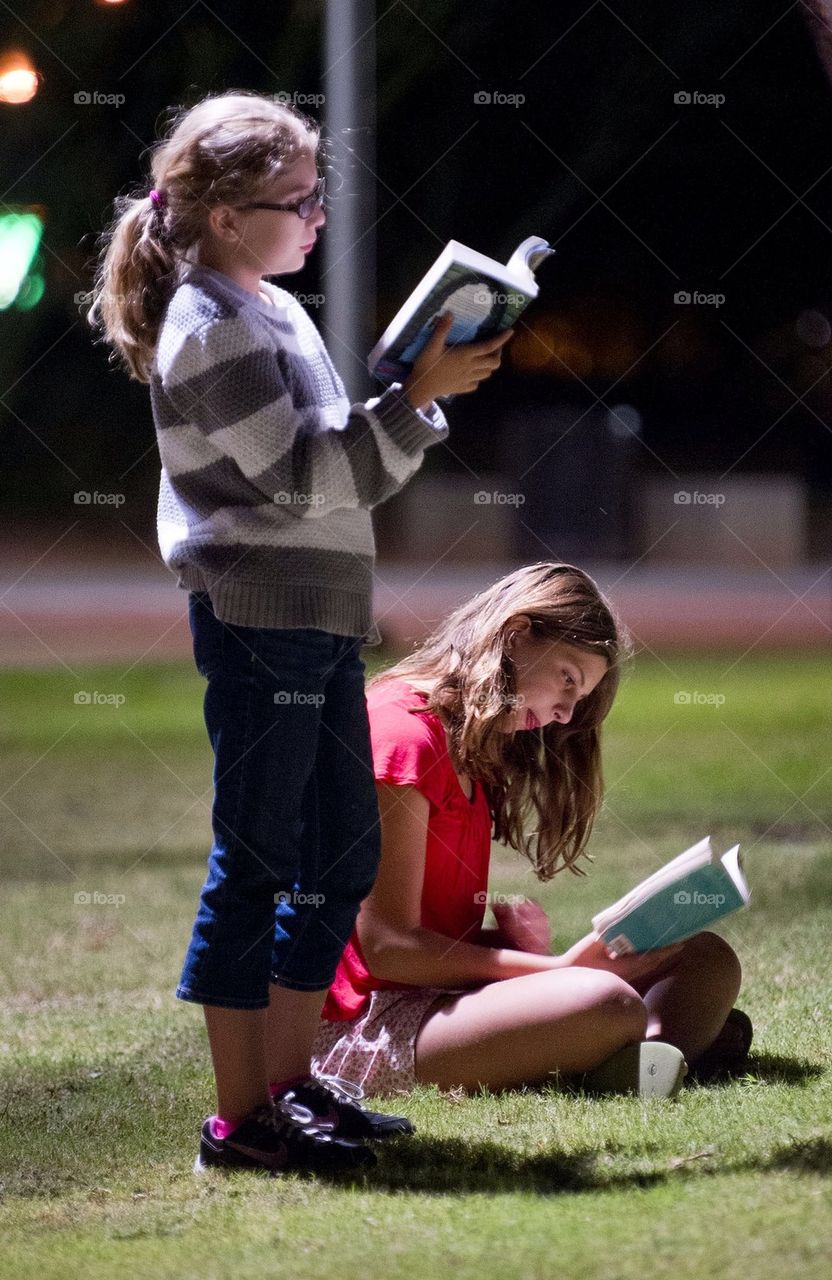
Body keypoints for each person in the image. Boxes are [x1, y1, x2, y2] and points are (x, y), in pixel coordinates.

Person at [87, 89, 513, 1176]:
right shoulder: (211, 323)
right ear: (227, 215)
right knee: (259, 857)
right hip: (258, 625)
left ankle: (292, 1086)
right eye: (297, 199)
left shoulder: (270, 304)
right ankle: (241, 1117)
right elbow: (303, 478)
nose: (318, 215)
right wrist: (414, 400)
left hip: (319, 620)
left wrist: (404, 389)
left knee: (340, 853)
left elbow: (328, 455)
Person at [303, 562, 749, 1098]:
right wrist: (551, 967)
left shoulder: (472, 740)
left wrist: (502, 943)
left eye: (579, 697)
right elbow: (389, 948)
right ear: (515, 635)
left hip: (438, 995)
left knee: (705, 958)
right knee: (604, 1003)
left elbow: (428, 938)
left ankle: (633, 1057)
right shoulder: (402, 732)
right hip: (371, 1023)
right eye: (567, 679)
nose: (565, 713)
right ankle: (641, 1049)